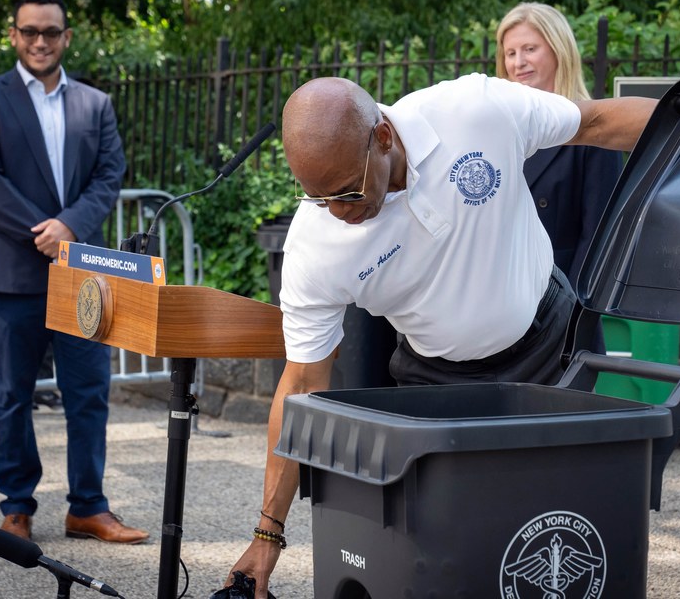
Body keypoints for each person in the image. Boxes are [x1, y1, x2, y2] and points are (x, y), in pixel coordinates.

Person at [224, 74, 656, 596]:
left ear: (383, 137)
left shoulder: (475, 112)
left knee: (561, 521)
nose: (339, 212)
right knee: (452, 549)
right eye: (320, 198)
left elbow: (600, 121)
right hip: (438, 377)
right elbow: (300, 387)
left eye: (348, 191)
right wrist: (267, 532)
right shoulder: (315, 246)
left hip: (551, 344)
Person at [0, 0, 147, 544]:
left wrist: (71, 228)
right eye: (30, 31)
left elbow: (110, 173)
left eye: (51, 32)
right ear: (14, 35)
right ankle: (16, 507)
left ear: (65, 37)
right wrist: (45, 231)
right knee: (14, 394)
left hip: (82, 269)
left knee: (90, 390)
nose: (40, 41)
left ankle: (88, 507)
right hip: (13, 270)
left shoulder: (95, 103)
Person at [496, 2, 622, 292]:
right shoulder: (498, 129)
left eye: (530, 49)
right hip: (498, 302)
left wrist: (571, 315)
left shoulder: (594, 128)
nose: (518, 63)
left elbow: (599, 239)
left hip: (557, 304)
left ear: (559, 50)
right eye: (510, 53)